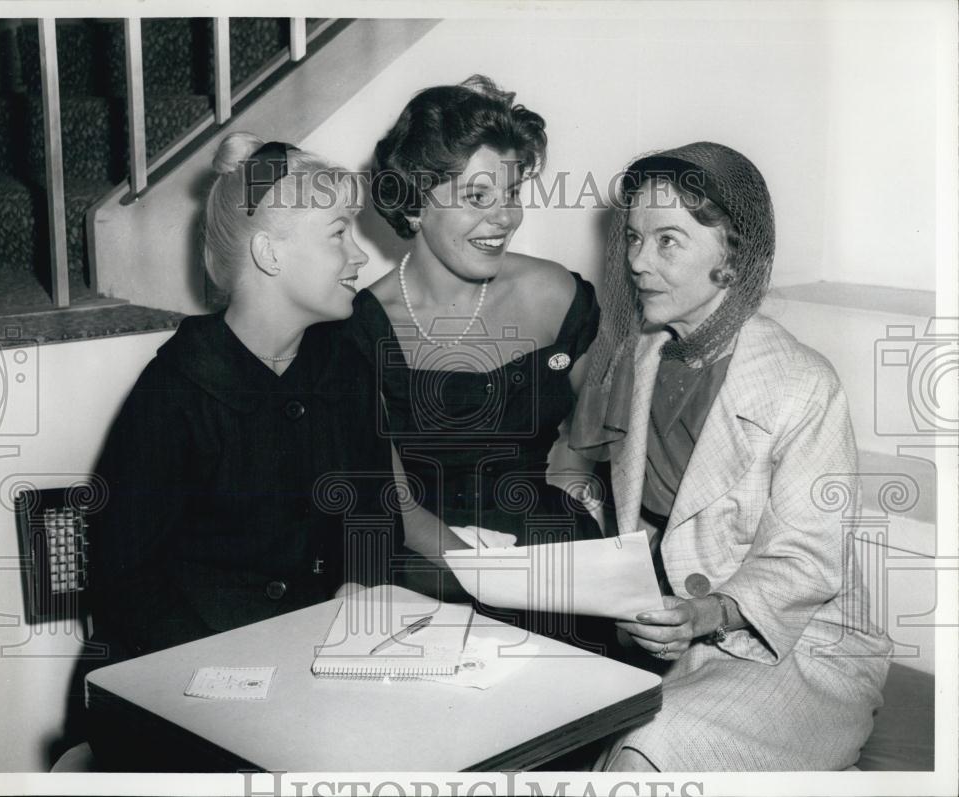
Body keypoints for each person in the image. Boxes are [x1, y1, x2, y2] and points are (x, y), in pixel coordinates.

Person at [570, 142, 891, 771]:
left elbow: (807, 562)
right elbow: (643, 516)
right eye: (634, 237)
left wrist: (705, 613)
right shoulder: (640, 358)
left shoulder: (804, 383)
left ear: (734, 257)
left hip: (801, 650)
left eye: (668, 241)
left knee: (650, 745)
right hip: (676, 641)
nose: (636, 261)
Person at [88, 133, 399, 665]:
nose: (359, 255)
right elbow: (125, 578)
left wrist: (360, 585)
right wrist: (235, 667)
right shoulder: (176, 389)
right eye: (338, 234)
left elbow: (377, 517)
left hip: (315, 655)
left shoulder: (346, 367)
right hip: (185, 667)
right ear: (268, 253)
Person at [346, 76, 603, 609]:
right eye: (477, 196)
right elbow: (397, 505)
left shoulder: (555, 294)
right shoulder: (359, 328)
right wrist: (496, 577)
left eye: (511, 194)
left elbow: (600, 433)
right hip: (429, 573)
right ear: (414, 205)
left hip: (554, 559)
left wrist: (576, 492)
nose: (504, 217)